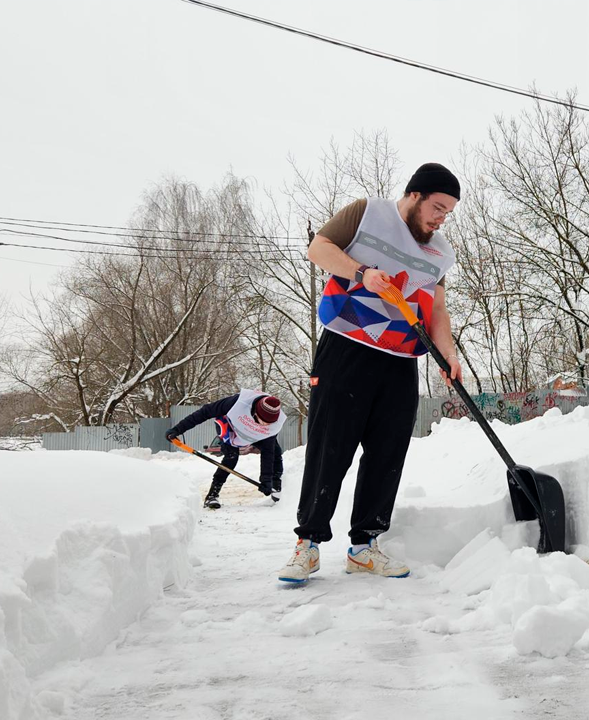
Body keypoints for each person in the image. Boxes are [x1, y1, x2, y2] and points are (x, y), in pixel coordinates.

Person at [278, 163, 463, 583]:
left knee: (387, 452)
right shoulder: (367, 213)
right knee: (330, 446)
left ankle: (364, 546)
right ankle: (307, 544)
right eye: (437, 207)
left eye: (448, 212)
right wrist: (361, 273)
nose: (441, 218)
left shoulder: (440, 252)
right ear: (415, 195)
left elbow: (436, 309)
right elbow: (318, 249)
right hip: (347, 346)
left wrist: (448, 354)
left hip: (400, 359)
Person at [166, 391, 286, 509]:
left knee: (276, 452)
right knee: (231, 457)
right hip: (231, 427)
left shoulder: (274, 424)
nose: (265, 425)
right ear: (256, 412)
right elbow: (205, 412)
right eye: (263, 421)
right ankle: (212, 495)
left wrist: (266, 479)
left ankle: (276, 486)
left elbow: (268, 451)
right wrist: (177, 429)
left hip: (255, 434)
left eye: (269, 423)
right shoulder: (236, 403)